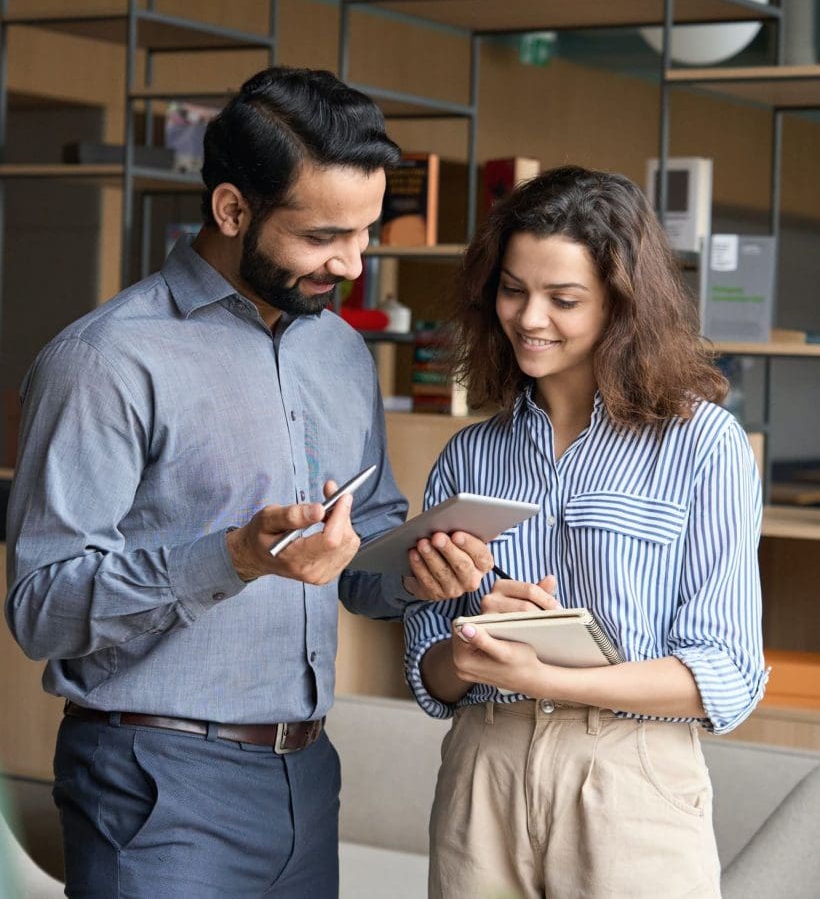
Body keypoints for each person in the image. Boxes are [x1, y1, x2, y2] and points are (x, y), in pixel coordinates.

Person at [4, 66, 493, 898]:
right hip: (152, 781)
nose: (352, 262)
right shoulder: (105, 360)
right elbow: (41, 609)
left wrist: (424, 572)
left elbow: (362, 562)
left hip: (307, 774)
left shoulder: (339, 351)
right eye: (323, 235)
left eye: (365, 232)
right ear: (232, 210)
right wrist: (232, 557)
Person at [403, 165, 768, 899]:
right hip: (485, 770)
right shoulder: (469, 456)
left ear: (623, 306)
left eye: (563, 299)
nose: (529, 318)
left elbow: (725, 673)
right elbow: (429, 673)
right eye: (513, 290)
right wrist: (469, 648)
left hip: (631, 777)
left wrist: (549, 677)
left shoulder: (704, 446)